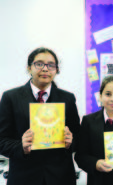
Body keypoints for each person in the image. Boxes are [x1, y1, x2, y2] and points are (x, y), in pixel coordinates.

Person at [0, 47, 80, 185]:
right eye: (39, 64)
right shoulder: (11, 98)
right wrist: (21, 147)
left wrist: (70, 142)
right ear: (29, 68)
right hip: (24, 177)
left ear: (56, 70)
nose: (45, 68)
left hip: (60, 177)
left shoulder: (67, 98)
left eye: (51, 65)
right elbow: (1, 141)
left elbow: (79, 138)